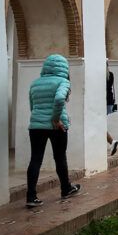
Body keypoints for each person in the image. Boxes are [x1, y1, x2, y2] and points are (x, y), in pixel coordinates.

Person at [26, 54, 80, 207]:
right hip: (57, 126)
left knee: (35, 159)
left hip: (36, 126)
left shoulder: (35, 83)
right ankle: (65, 188)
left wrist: (39, 119)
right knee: (60, 157)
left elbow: (32, 105)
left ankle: (31, 196)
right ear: (64, 68)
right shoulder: (63, 81)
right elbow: (59, 99)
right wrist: (55, 119)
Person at [106, 68, 118, 156]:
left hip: (104, 101)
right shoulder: (110, 74)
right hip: (110, 102)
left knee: (100, 124)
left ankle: (112, 141)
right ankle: (111, 142)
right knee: (101, 123)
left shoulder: (102, 75)